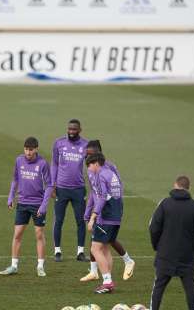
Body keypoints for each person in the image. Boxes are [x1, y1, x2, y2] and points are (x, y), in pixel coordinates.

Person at [148, 175, 194, 310]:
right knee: (190, 287)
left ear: (175, 185)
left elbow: (153, 227)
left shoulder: (164, 203)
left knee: (158, 286)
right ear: (188, 188)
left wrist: (157, 245)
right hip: (186, 253)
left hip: (165, 252)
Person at [81, 140, 135, 282]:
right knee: (101, 244)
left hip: (107, 211)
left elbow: (110, 191)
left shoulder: (107, 169)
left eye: (90, 156)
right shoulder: (92, 170)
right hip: (102, 209)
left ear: (98, 154)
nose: (88, 159)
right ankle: (98, 274)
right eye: (87, 155)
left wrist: (94, 214)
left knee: (99, 244)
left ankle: (109, 277)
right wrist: (88, 212)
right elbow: (93, 192)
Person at [0, 137, 53, 277]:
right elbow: (15, 179)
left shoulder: (42, 163)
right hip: (22, 203)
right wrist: (11, 196)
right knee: (17, 235)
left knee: (39, 235)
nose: (28, 152)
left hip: (37, 205)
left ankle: (40, 266)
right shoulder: (19, 160)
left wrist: (44, 205)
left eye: (30, 150)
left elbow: (49, 185)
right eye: (26, 149)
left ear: (36, 149)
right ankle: (13, 266)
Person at [51, 119, 89, 262]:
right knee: (59, 220)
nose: (71, 132)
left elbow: (92, 166)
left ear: (80, 130)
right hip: (61, 188)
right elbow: (54, 164)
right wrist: (52, 185)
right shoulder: (59, 143)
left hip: (79, 189)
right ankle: (57, 251)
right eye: (69, 129)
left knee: (80, 220)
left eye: (74, 129)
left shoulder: (86, 145)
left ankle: (80, 252)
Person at [85, 153, 123, 294]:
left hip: (106, 218)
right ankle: (107, 281)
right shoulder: (111, 173)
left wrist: (93, 217)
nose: (89, 169)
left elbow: (101, 198)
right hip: (116, 217)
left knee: (95, 249)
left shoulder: (101, 175)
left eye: (89, 165)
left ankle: (107, 282)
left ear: (96, 163)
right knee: (105, 248)